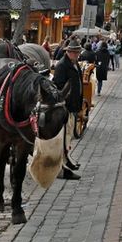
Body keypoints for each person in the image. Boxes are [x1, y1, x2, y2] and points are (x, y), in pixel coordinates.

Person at [52, 38, 85, 180]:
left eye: (78, 52)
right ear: (69, 52)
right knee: (64, 136)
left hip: (73, 105)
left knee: (68, 135)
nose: (77, 55)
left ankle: (66, 160)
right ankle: (61, 164)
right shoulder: (62, 66)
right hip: (66, 106)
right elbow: (58, 87)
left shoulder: (74, 63)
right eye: (75, 53)